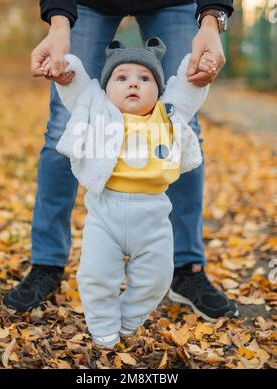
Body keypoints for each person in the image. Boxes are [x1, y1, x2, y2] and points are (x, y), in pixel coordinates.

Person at [3, 0, 240, 321]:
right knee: (65, 125)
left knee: (181, 130)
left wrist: (212, 20)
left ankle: (187, 268)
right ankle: (46, 263)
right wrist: (59, 23)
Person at [46, 36, 213, 348]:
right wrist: (67, 69)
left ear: (159, 89)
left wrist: (199, 62)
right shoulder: (98, 111)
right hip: (105, 212)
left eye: (145, 78)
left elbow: (188, 87)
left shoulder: (167, 113)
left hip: (153, 215)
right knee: (96, 276)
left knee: (157, 278)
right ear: (107, 89)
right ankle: (104, 332)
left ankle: (126, 323)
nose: (133, 84)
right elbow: (78, 87)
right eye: (121, 78)